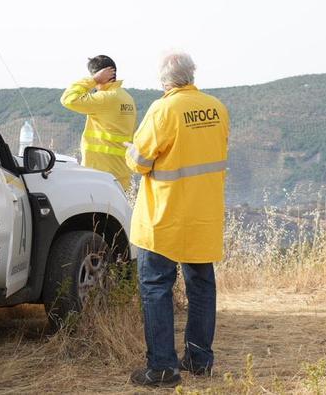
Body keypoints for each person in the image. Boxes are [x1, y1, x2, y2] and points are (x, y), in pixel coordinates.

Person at [124, 52, 229, 387]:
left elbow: (140, 161)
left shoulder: (163, 109)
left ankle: (164, 369)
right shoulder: (217, 108)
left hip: (164, 218)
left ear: (164, 81)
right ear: (192, 75)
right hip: (202, 214)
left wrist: (130, 151)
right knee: (201, 287)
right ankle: (199, 362)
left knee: (156, 287)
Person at [60, 55, 137, 189]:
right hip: (121, 173)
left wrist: (93, 80)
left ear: (101, 75)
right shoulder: (127, 98)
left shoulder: (104, 98)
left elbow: (68, 99)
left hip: (101, 175)